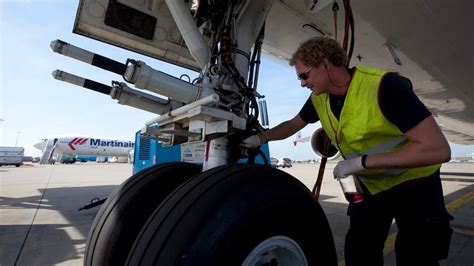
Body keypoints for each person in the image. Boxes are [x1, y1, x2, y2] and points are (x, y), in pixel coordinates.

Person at [241, 37, 453, 265]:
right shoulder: (319, 100)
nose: (302, 83)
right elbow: (293, 125)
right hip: (372, 185)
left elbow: (438, 149)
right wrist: (260, 138)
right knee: (360, 252)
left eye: (304, 75)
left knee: (417, 255)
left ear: (325, 64)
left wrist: (362, 162)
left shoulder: (384, 86)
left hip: (414, 182)